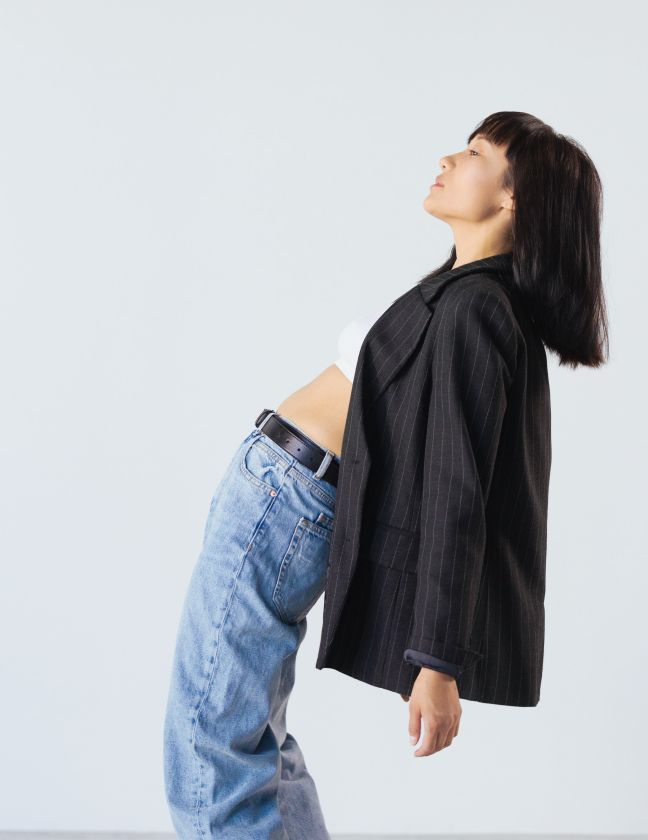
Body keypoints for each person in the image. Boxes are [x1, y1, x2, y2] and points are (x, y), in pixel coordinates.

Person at [163, 110, 608, 838]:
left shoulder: (476, 309)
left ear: (514, 195)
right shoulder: (462, 292)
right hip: (282, 494)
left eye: (475, 153)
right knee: (251, 740)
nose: (448, 159)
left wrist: (438, 660)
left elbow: (458, 491)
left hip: (284, 501)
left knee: (209, 751)